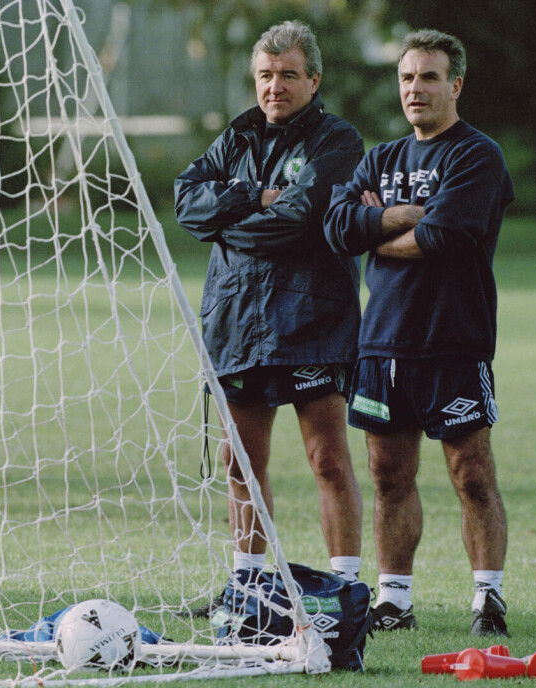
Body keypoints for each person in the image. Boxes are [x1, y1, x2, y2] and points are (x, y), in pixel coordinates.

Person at [324, 29, 515, 637]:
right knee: (387, 475)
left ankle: (488, 599)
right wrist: (399, 217)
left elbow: (449, 237)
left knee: (473, 475)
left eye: (429, 77)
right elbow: (335, 227)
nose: (416, 89)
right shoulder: (380, 158)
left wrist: (374, 230)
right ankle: (395, 600)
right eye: (407, 78)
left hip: (453, 341)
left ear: (454, 85)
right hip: (382, 344)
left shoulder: (475, 156)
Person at [174, 20, 365, 617]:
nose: (274, 86)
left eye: (287, 75)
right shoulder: (238, 136)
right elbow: (186, 200)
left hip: (312, 319)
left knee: (327, 458)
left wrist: (228, 222)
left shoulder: (337, 140)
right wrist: (254, 197)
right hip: (237, 318)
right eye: (265, 75)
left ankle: (345, 589)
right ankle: (247, 583)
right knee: (240, 463)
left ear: (313, 79)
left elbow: (302, 217)